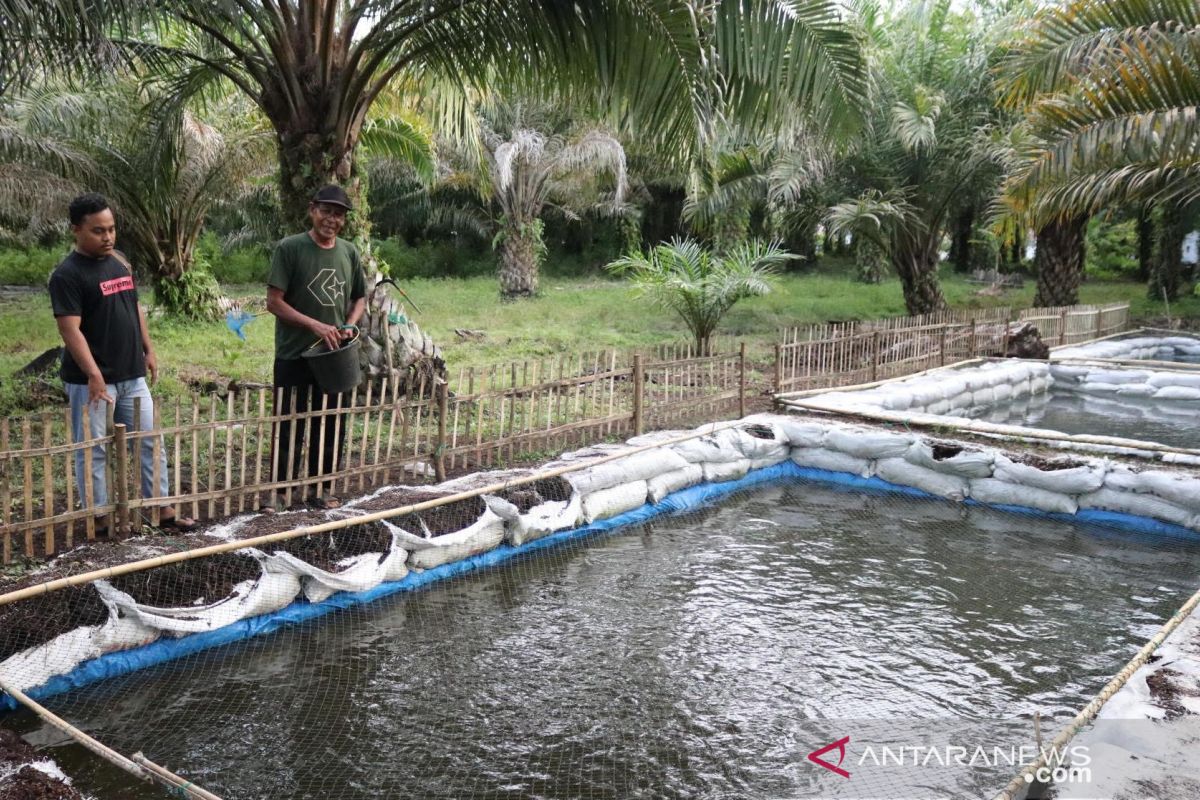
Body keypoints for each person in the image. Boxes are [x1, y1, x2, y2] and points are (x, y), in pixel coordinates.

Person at [49, 193, 197, 533]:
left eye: (112, 229)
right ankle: (99, 519)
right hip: (92, 381)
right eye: (98, 231)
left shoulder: (119, 262)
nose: (108, 237)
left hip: (132, 374)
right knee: (94, 450)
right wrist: (94, 375)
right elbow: (69, 330)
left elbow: (134, 306)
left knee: (150, 441)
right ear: (76, 230)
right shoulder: (67, 276)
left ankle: (160, 511)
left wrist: (148, 348)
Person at [265, 184, 366, 511]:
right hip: (294, 354)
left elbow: (360, 297)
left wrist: (350, 323)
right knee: (289, 422)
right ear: (312, 210)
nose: (331, 220)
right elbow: (274, 303)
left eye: (338, 215)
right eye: (326, 211)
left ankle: (321, 489)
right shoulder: (290, 249)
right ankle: (281, 492)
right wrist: (315, 325)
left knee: (331, 422)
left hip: (333, 357)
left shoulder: (349, 253)